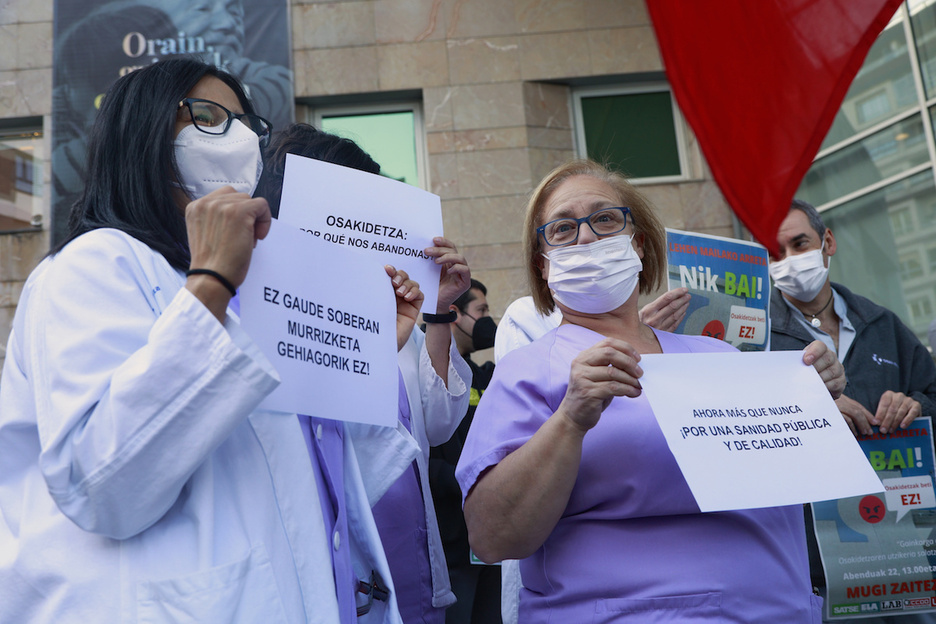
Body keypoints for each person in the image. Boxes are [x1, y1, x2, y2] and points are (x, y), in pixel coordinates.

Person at [0, 58, 414, 623]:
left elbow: (316, 492)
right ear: (143, 132)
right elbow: (99, 486)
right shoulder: (94, 265)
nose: (239, 138)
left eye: (247, 124)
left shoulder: (242, 290)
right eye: (210, 117)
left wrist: (365, 354)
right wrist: (212, 280)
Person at [455, 159, 846, 622]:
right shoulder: (528, 371)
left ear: (638, 244)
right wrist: (570, 420)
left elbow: (796, 476)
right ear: (543, 265)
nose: (586, 237)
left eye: (605, 219)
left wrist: (812, 400)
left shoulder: (721, 356)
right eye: (562, 229)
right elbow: (493, 537)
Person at [255, 122, 472, 623]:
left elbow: (438, 425)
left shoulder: (391, 310)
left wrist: (439, 310)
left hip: (408, 556)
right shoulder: (269, 308)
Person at [768, 199, 936, 624]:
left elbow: (932, 392)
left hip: (902, 554)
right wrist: (813, 410)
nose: (789, 260)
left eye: (799, 243)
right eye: (775, 251)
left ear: (828, 242)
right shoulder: (755, 339)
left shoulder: (881, 323)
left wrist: (917, 405)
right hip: (812, 569)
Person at [429, 279, 501, 624]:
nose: (488, 320)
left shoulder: (485, 376)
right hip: (448, 544)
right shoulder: (424, 374)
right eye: (481, 310)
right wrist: (466, 479)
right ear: (454, 314)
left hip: (488, 540)